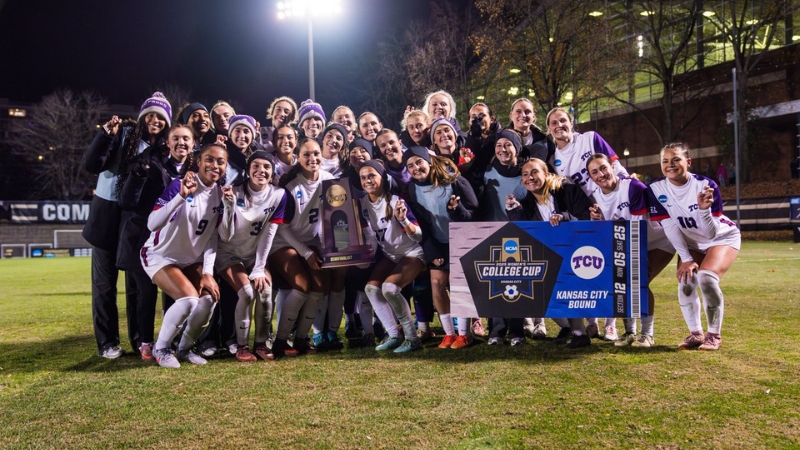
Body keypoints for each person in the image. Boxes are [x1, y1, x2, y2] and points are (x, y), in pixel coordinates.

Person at [83, 92, 171, 359]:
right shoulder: (122, 133)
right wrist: (104, 136)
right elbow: (92, 165)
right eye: (150, 115)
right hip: (107, 215)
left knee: (136, 286)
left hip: (135, 221)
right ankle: (107, 342)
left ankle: (138, 339)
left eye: (161, 117)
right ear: (142, 116)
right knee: (104, 285)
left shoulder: (163, 149)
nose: (155, 120)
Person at [647, 142, 740, 351]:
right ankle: (696, 333)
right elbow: (670, 226)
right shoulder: (656, 189)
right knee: (686, 280)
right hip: (692, 242)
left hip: (720, 237)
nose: (670, 164)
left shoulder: (706, 185)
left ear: (688, 162)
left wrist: (704, 210)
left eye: (676, 159)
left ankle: (713, 335)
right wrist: (686, 259)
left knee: (706, 278)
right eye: (665, 161)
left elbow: (710, 233)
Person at [141, 143, 227, 368]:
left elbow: (212, 236)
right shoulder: (178, 185)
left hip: (190, 259)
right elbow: (152, 224)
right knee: (189, 300)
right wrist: (180, 196)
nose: (214, 165)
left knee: (209, 299)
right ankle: (161, 348)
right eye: (209, 159)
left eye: (220, 162)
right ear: (198, 161)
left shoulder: (221, 195)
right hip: (160, 255)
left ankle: (184, 348)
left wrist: (207, 272)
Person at [545, 106, 628, 339]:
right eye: (554, 123)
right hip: (585, 215)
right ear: (549, 129)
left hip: (611, 206)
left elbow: (615, 165)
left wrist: (624, 186)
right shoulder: (553, 159)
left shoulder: (590, 138)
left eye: (563, 120)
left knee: (613, 266)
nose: (559, 125)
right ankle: (592, 322)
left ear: (571, 122)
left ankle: (611, 324)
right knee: (588, 266)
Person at [585, 154, 675, 348]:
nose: (601, 174)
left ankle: (647, 334)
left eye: (603, 168)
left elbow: (637, 227)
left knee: (639, 282)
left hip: (658, 241)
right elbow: (606, 230)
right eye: (594, 172)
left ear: (612, 167)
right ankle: (629, 333)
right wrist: (597, 219)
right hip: (628, 243)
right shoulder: (595, 196)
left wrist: (635, 258)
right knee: (622, 283)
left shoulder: (632, 186)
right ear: (590, 177)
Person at [119, 123, 191, 360]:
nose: (181, 143)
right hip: (144, 237)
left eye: (186, 139)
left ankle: (170, 341)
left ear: (193, 144)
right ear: (167, 143)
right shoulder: (151, 164)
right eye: (176, 138)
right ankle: (145, 342)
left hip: (175, 240)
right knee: (145, 293)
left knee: (174, 293)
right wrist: (137, 174)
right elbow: (128, 200)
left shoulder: (196, 169)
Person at [505, 158, 594, 348]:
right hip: (548, 256)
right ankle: (568, 328)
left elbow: (587, 216)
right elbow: (525, 234)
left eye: (534, 172)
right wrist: (514, 212)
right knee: (539, 293)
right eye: (525, 174)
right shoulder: (527, 204)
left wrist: (564, 217)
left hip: (577, 251)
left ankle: (580, 334)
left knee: (568, 291)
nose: (530, 178)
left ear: (546, 174)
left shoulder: (567, 189)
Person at [403, 146, 479, 349]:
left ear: (429, 161)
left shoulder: (454, 180)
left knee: (457, 285)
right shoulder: (412, 189)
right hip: (437, 242)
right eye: (410, 166)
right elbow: (422, 223)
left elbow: (474, 214)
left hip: (461, 240)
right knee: (436, 284)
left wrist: (456, 209)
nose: (415, 168)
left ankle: (465, 334)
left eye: (419, 162)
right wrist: (431, 251)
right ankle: (449, 333)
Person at [268, 138, 337, 357]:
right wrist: (306, 253)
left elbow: (332, 218)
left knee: (319, 286)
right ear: (298, 158)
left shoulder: (330, 181)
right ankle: (280, 341)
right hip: (283, 241)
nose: (313, 158)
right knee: (302, 284)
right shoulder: (291, 187)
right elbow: (283, 228)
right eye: (306, 154)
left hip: (309, 241)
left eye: (316, 153)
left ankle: (300, 339)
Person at [217, 151, 288, 362]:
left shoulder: (279, 195)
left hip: (253, 254)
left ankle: (261, 343)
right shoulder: (233, 192)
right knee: (247, 293)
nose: (261, 170)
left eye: (266, 166)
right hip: (228, 252)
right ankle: (242, 346)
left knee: (265, 291)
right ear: (248, 170)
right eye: (256, 165)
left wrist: (258, 268)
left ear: (273, 172)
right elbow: (225, 235)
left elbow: (269, 234)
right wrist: (228, 206)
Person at [358, 161, 426, 352]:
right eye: (363, 177)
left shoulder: (395, 200)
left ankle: (412, 338)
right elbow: (371, 237)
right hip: (390, 255)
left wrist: (403, 220)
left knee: (389, 288)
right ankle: (394, 334)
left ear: (383, 178)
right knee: (371, 289)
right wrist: (364, 257)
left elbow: (418, 236)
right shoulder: (361, 204)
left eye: (372, 175)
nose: (367, 180)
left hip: (412, 252)